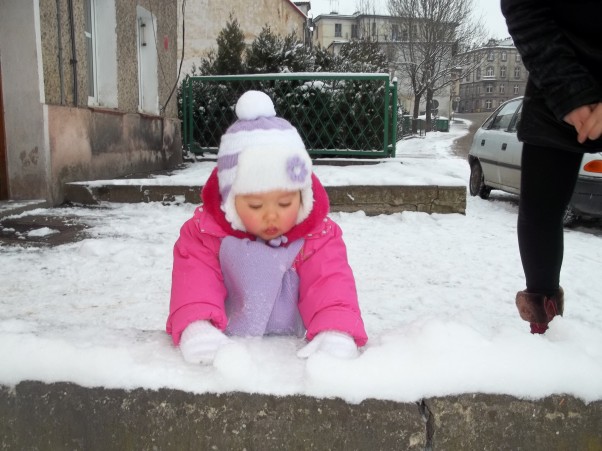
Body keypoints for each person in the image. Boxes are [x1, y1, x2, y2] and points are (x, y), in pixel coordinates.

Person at [166, 90, 368, 363]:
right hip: (225, 344)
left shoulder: (317, 237)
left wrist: (337, 329)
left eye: (285, 203)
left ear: (302, 195)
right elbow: (194, 282)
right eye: (256, 206)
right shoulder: (205, 234)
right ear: (230, 200)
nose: (271, 216)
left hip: (287, 349)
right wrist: (197, 325)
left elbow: (329, 281)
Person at [501, 0, 602, 333]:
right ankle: (544, 328)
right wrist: (568, 93)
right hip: (558, 71)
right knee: (540, 210)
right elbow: (524, 8)